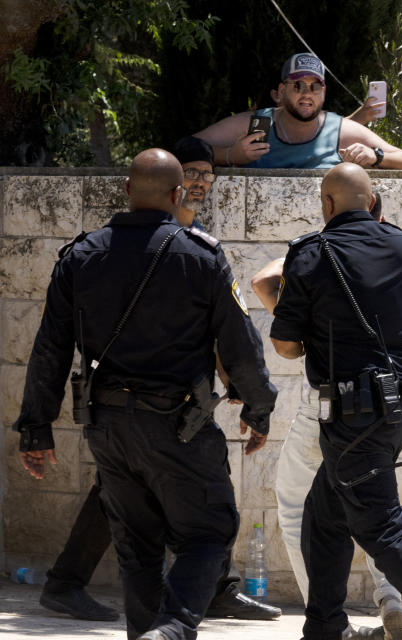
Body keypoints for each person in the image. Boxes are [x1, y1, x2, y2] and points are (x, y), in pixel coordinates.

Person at [13, 148, 278, 640]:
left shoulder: (82, 256)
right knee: (208, 533)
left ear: (127, 192)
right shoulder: (201, 256)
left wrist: (35, 428)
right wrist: (258, 408)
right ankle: (175, 626)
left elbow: (50, 347)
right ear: (178, 196)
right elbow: (239, 344)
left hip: (108, 429)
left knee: (138, 549)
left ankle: (149, 634)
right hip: (178, 427)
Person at [268, 162, 402, 640]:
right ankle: (323, 627)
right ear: (372, 202)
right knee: (324, 513)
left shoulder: (310, 254)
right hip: (401, 404)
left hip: (352, 412)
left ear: (327, 204)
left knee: (382, 530)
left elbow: (285, 345)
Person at [250, 193, 402, 640]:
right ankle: (393, 598)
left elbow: (262, 279)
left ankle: (325, 617)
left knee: (296, 506)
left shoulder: (321, 251)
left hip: (327, 403)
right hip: (388, 401)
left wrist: (304, 335)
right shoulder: (396, 254)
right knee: (376, 506)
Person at [195, 53, 402, 170]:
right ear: (281, 91)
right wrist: (228, 155)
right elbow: (185, 148)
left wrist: (375, 156)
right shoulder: (255, 124)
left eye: (315, 86)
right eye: (298, 85)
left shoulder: (341, 130)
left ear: (324, 91)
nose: (307, 93)